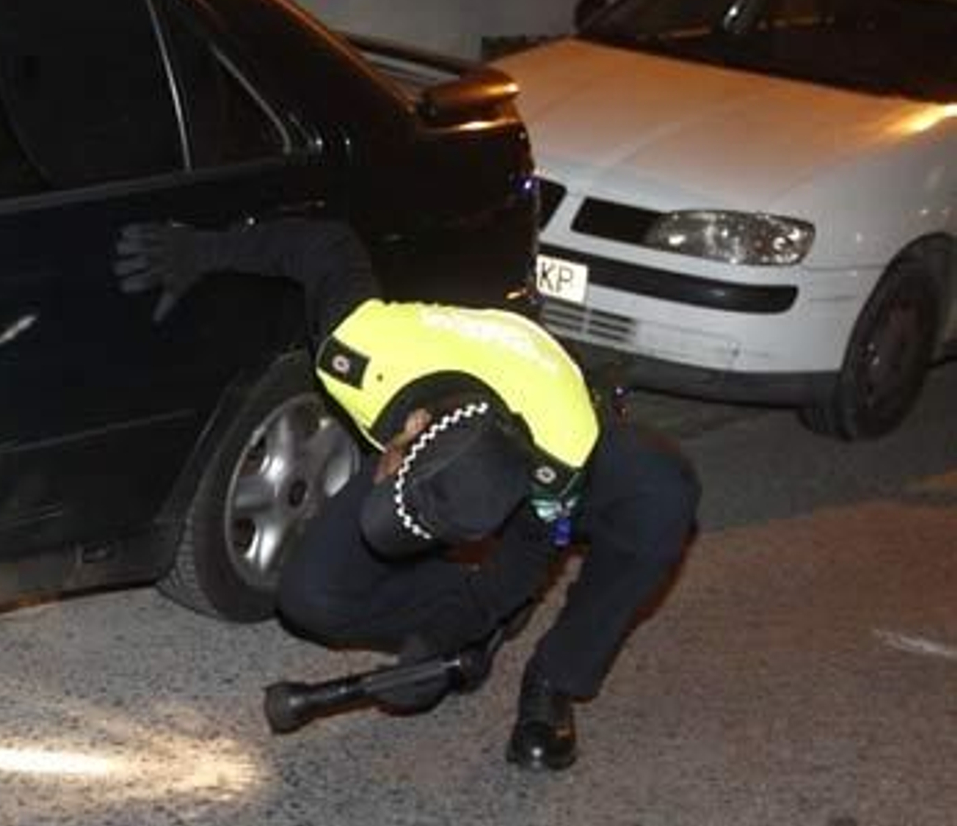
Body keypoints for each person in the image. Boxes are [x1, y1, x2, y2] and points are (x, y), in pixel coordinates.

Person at [114, 217, 700, 771]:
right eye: (393, 481)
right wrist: (202, 251)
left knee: (661, 495)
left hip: (552, 423)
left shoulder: (562, 452)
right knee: (311, 597)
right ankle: (467, 617)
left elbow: (529, 557)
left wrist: (447, 635)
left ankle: (554, 679)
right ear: (412, 430)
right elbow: (324, 245)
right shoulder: (365, 350)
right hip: (466, 389)